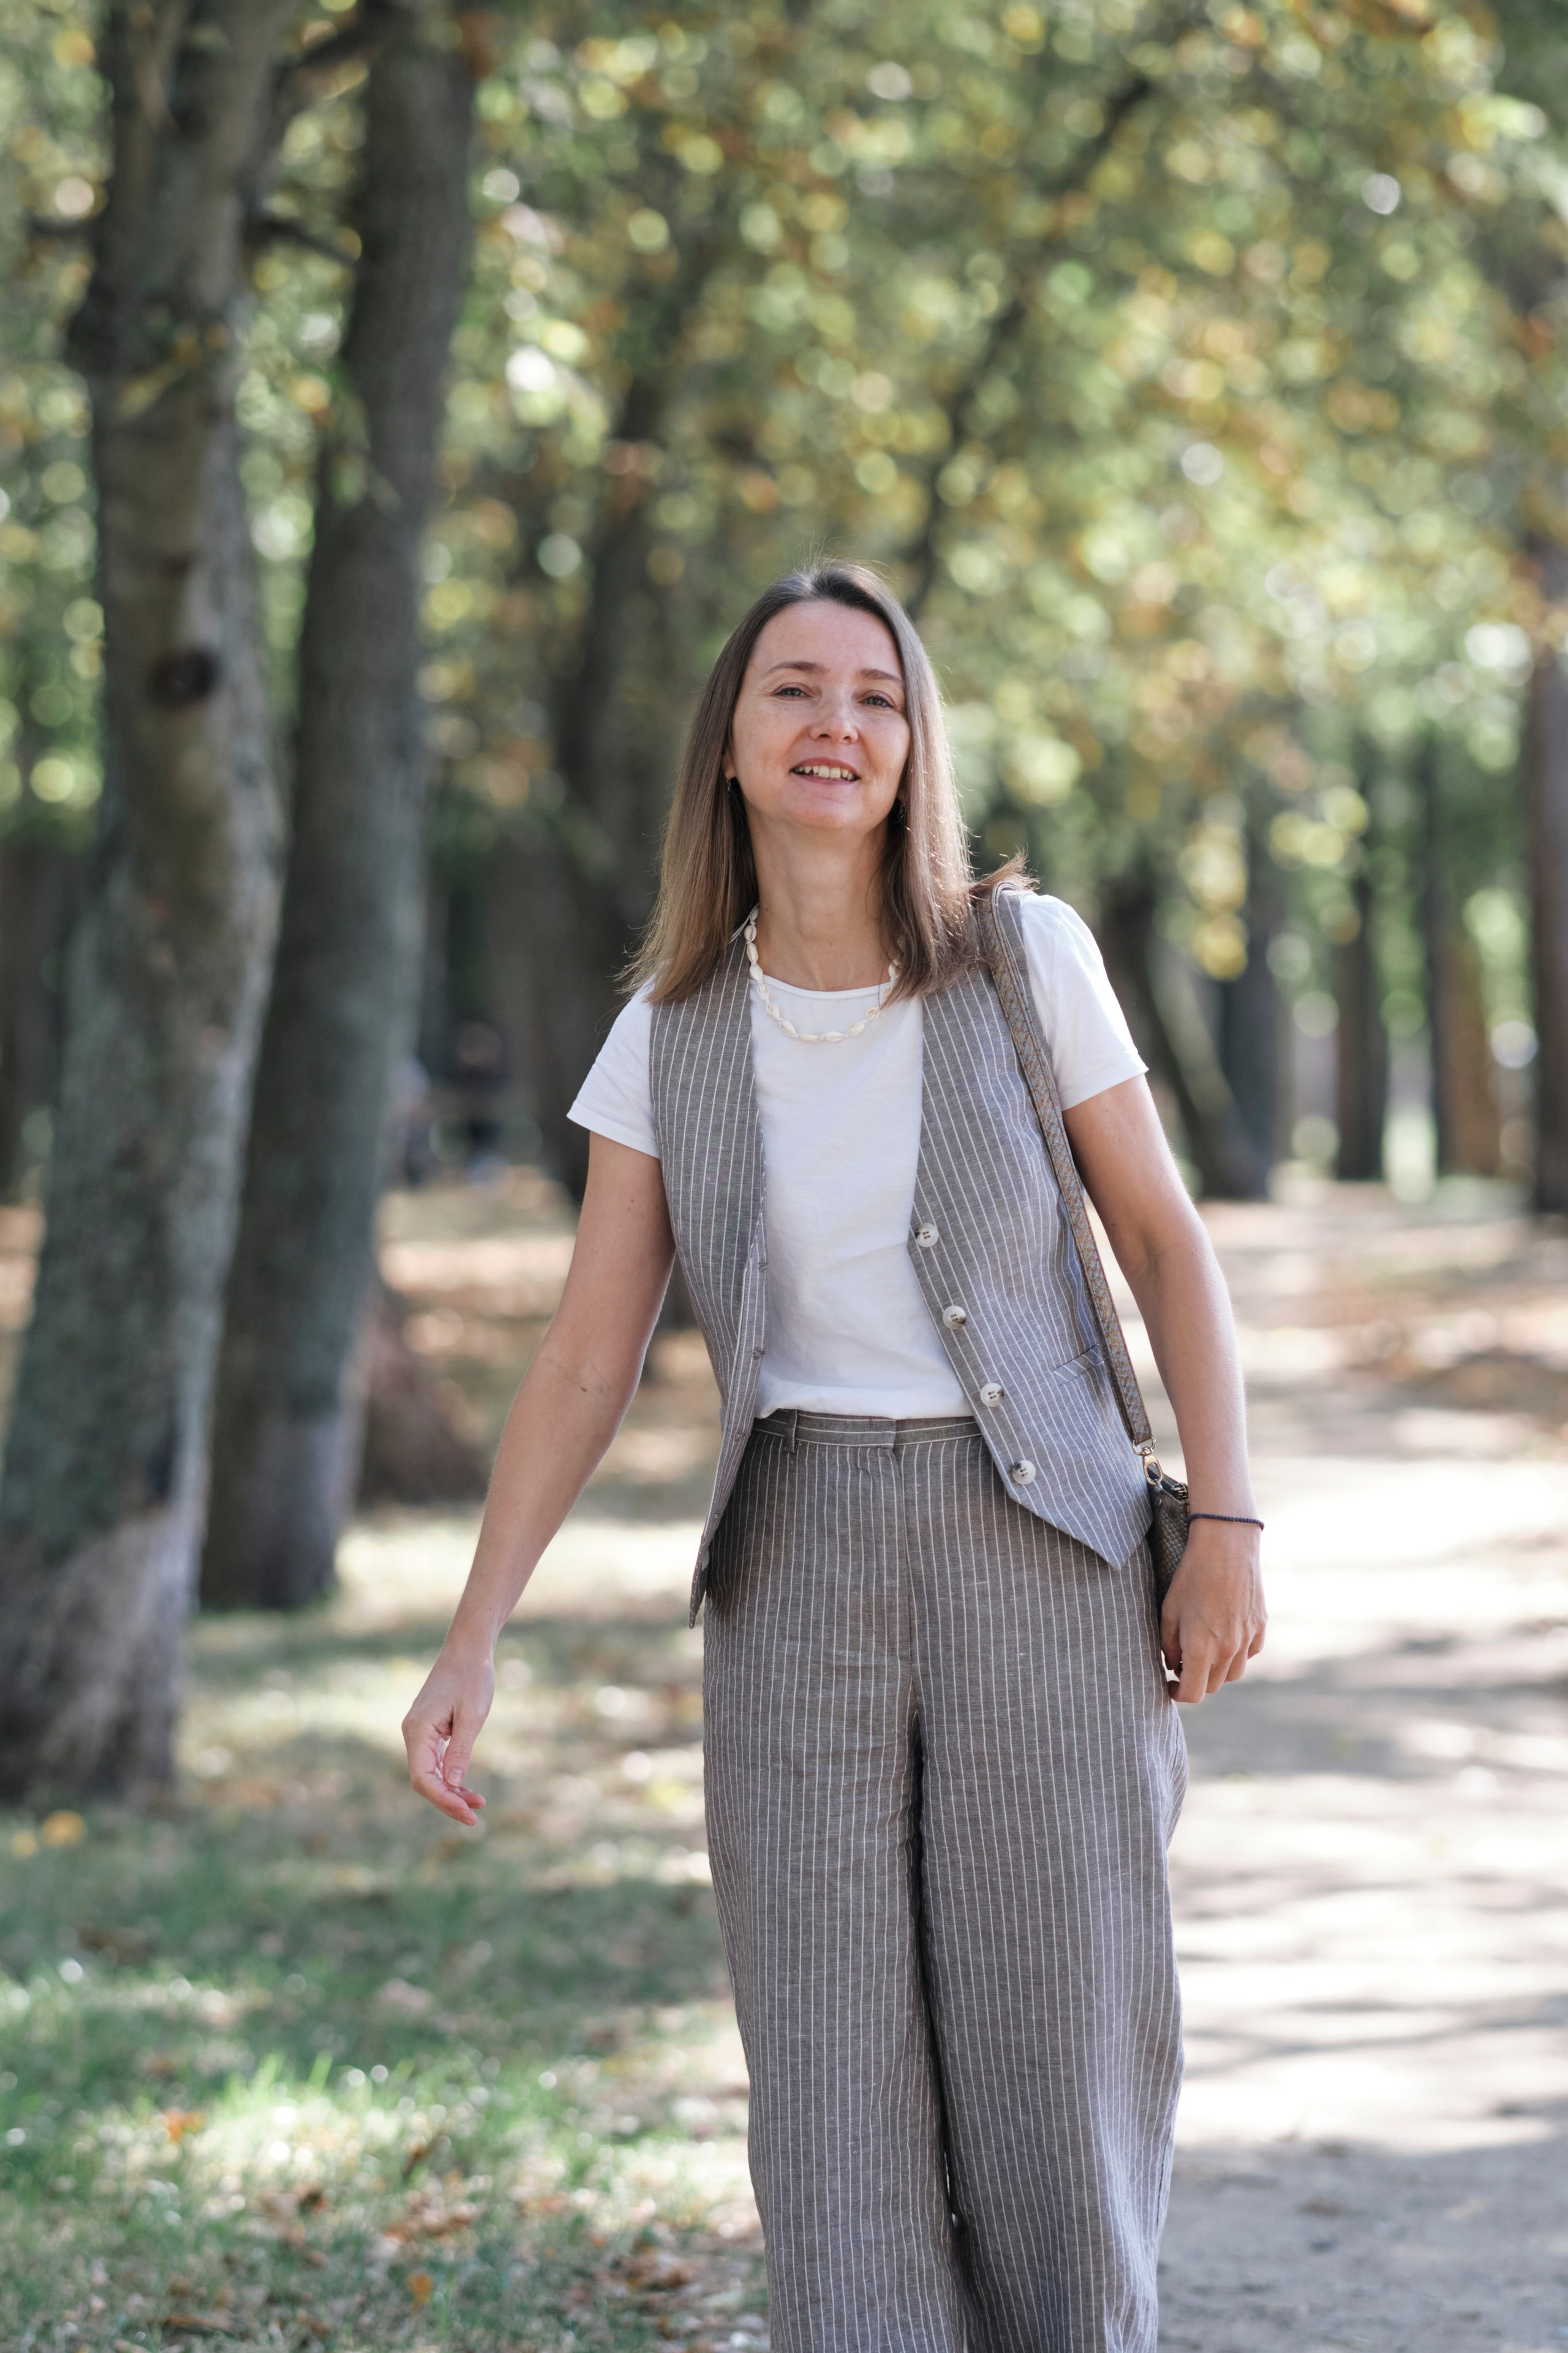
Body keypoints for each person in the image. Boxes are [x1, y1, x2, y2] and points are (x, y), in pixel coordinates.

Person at [402, 561, 1266, 2353]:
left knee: (1054, 2087)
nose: (836, 726)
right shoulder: (672, 1030)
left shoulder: (1026, 959)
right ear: (730, 740)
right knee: (827, 2109)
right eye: (796, 689)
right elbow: (585, 1356)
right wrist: (474, 1630)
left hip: (1045, 1549)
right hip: (793, 1569)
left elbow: (1170, 1245)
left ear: (913, 743)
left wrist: (1228, 1522)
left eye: (875, 697)